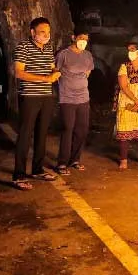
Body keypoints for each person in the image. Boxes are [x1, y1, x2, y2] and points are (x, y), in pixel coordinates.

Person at [12, 17, 61, 190]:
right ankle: (19, 174)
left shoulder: (48, 48)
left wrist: (55, 73)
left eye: (48, 32)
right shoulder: (23, 47)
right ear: (32, 32)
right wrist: (45, 78)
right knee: (25, 134)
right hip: (30, 97)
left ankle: (37, 169)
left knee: (42, 133)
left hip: (46, 96)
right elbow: (19, 73)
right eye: (42, 32)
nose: (46, 35)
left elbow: (52, 67)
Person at [55, 27, 94, 175]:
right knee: (68, 128)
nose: (83, 42)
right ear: (73, 37)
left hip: (83, 98)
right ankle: (62, 163)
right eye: (81, 39)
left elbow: (88, 73)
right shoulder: (63, 54)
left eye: (85, 40)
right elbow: (56, 73)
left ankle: (75, 160)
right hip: (67, 98)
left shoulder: (88, 55)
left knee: (82, 129)